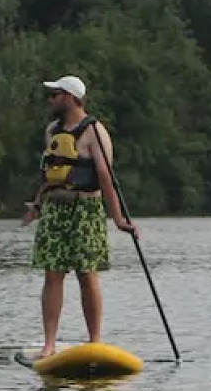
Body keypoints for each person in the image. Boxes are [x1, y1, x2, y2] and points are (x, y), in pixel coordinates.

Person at [21, 75, 138, 358]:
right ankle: (49, 344)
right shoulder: (52, 130)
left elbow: (106, 179)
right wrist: (36, 206)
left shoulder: (95, 131)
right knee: (53, 275)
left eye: (56, 94)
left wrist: (119, 220)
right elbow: (50, 172)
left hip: (86, 209)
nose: (50, 100)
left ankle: (94, 340)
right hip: (56, 209)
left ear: (71, 97)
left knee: (88, 274)